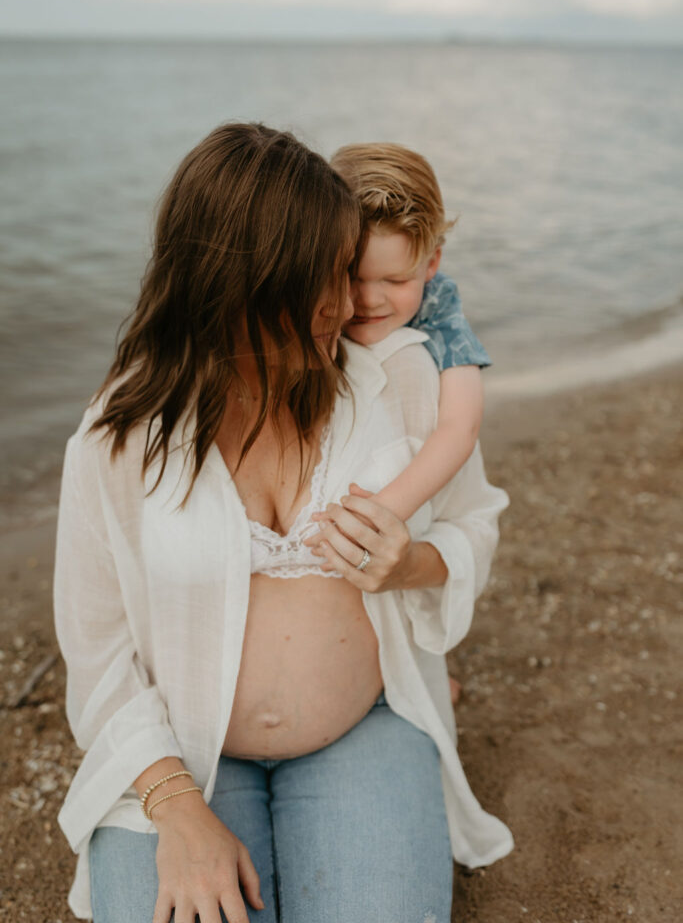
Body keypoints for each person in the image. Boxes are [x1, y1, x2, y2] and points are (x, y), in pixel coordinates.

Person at [53, 122, 512, 923]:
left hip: (365, 727)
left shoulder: (396, 375)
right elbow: (97, 655)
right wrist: (179, 811)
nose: (348, 304)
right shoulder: (119, 438)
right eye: (321, 277)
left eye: (346, 268)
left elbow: (474, 524)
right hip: (178, 753)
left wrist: (411, 565)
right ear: (242, 284)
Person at [326, 142, 491, 706]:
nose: (368, 301)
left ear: (431, 263)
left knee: (416, 533)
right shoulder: (315, 299)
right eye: (351, 275)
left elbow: (460, 428)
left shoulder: (439, 307)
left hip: (399, 492)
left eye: (394, 281)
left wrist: (384, 510)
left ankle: (419, 663)